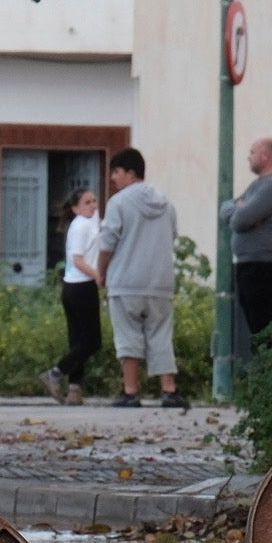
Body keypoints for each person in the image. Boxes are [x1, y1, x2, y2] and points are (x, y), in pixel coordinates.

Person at [97, 147, 184, 407]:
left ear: (131, 173)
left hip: (126, 281)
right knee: (161, 335)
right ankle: (169, 390)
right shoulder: (166, 204)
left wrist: (102, 272)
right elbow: (173, 235)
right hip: (160, 281)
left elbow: (107, 243)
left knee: (128, 337)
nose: (113, 178)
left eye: (116, 171)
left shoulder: (118, 203)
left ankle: (131, 391)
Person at [227, 138, 272, 351]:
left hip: (263, 267)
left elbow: (239, 220)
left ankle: (269, 375)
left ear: (265, 155)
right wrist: (240, 209)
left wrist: (242, 211)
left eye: (252, 151)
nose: (249, 156)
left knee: (264, 331)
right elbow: (227, 208)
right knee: (256, 331)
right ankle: (262, 375)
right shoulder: (258, 185)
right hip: (250, 265)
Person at [44, 182, 104, 405]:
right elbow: (78, 260)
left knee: (77, 340)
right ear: (76, 209)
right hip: (81, 286)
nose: (93, 206)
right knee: (92, 341)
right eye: (87, 203)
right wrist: (98, 275)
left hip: (71, 287)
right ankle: (56, 373)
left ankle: (74, 388)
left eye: (95, 201)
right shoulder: (81, 226)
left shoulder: (91, 222)